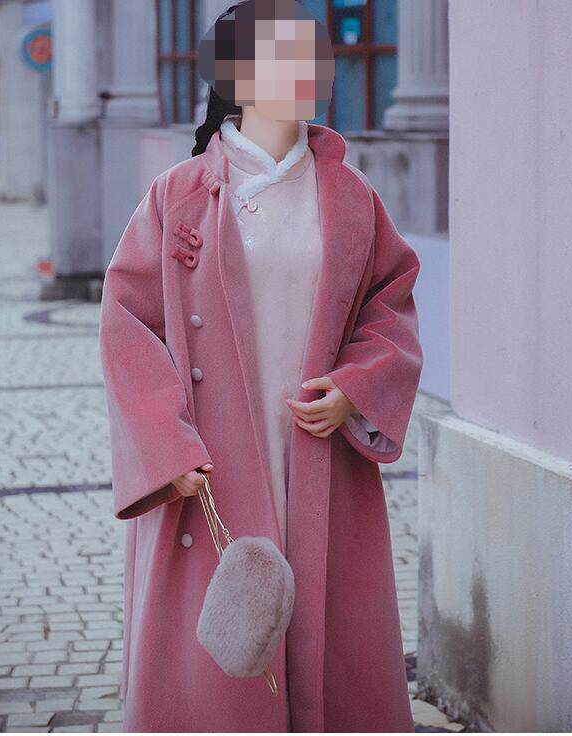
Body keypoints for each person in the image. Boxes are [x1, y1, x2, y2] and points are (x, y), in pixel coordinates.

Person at [99, 0, 423, 731]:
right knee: (220, 670)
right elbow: (128, 325)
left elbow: (391, 305)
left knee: (329, 636)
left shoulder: (351, 196)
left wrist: (354, 389)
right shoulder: (177, 196)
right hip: (209, 464)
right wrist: (166, 447)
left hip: (318, 453)